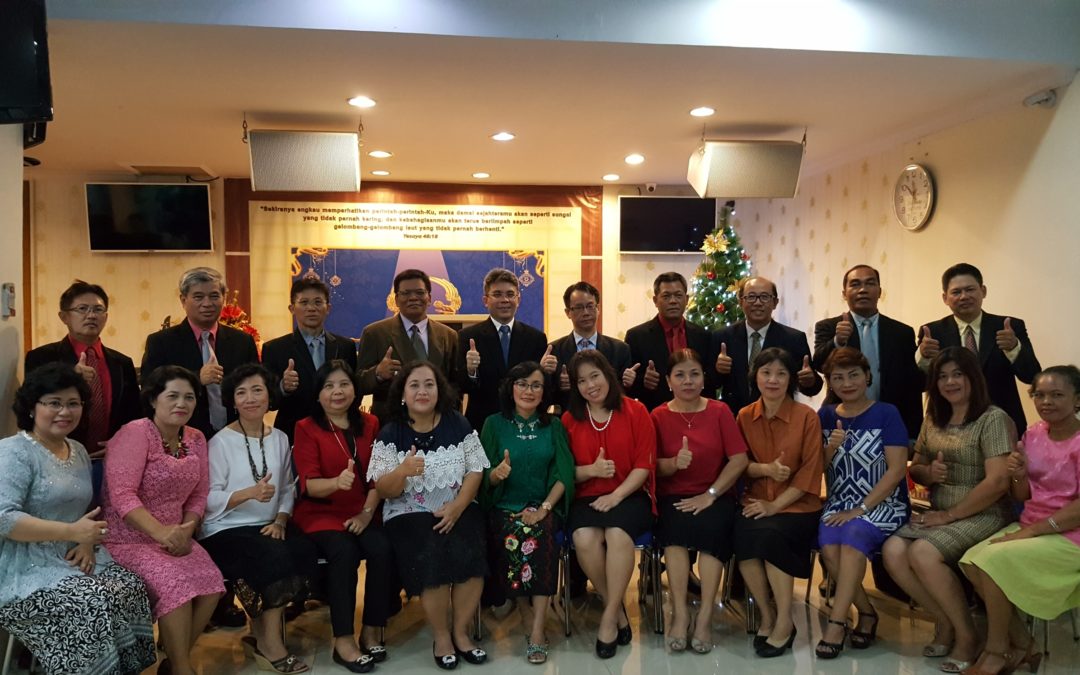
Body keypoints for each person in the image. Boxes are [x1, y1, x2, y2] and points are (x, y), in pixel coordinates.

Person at [0, 363, 156, 675]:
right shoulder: (14, 451)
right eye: (54, 403)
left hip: (77, 554)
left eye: (73, 403)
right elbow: (4, 519)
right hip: (25, 566)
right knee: (91, 601)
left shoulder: (79, 450)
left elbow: (90, 511)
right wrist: (72, 532)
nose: (65, 411)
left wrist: (86, 541)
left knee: (131, 587)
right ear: (31, 407)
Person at [883, 347, 1014, 674]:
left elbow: (999, 482)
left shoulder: (992, 418)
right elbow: (917, 467)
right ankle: (945, 621)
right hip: (938, 511)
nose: (949, 382)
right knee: (893, 551)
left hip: (984, 513)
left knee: (923, 553)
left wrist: (948, 515)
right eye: (942, 376)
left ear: (973, 377)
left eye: (958, 374)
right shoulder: (934, 418)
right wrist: (928, 474)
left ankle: (967, 637)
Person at [101, 365, 226, 675]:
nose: (181, 403)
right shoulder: (135, 433)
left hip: (177, 535)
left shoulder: (196, 438)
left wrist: (187, 528)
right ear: (153, 399)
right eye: (172, 396)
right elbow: (122, 496)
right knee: (177, 586)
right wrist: (162, 534)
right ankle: (182, 668)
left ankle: (173, 660)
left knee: (212, 585)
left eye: (189, 397)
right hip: (127, 539)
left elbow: (199, 493)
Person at [958, 365, 1080, 675]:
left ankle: (996, 651)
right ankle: (1025, 643)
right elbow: (1022, 494)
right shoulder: (1034, 434)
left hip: (1070, 534)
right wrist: (1019, 475)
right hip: (1032, 524)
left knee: (993, 561)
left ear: (1077, 399)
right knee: (971, 561)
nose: (1046, 402)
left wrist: (1030, 533)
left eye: (1056, 395)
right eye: (1039, 395)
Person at [368, 361, 490, 670]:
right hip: (408, 510)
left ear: (440, 390)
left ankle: (460, 632)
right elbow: (383, 489)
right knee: (432, 553)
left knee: (471, 549)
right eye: (414, 385)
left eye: (429, 384)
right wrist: (402, 471)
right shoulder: (391, 432)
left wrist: (458, 507)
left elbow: (476, 469)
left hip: (457, 504)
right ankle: (441, 636)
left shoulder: (457, 423)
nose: (422, 391)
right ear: (402, 394)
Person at [198, 364, 319, 674]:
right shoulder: (220, 442)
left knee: (303, 548)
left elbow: (288, 488)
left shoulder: (279, 437)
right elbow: (207, 500)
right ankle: (271, 646)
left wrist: (280, 520)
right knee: (272, 557)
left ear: (269, 396)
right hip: (225, 527)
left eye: (257, 390)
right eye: (241, 393)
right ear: (232, 401)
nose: (250, 398)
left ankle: (262, 633)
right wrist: (247, 494)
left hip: (267, 525)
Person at [292, 361, 397, 673]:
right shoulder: (306, 427)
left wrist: (366, 513)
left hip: (362, 509)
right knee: (344, 551)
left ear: (355, 389)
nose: (337, 392)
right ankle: (343, 640)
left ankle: (371, 629)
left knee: (382, 549)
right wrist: (336, 483)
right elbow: (309, 484)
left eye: (344, 384)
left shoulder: (371, 423)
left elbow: (378, 478)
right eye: (329, 386)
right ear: (318, 393)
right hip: (321, 513)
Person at [814, 348, 910, 659]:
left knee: (853, 535)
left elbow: (897, 470)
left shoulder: (886, 413)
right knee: (829, 547)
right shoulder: (825, 416)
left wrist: (862, 509)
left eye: (853, 375)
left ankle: (837, 623)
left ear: (867, 376)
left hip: (884, 503)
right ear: (830, 382)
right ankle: (867, 612)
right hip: (839, 502)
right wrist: (830, 448)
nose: (847, 383)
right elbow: (815, 467)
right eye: (838, 378)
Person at [561, 349, 656, 659]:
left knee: (617, 533)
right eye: (581, 381)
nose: (590, 385)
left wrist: (616, 496)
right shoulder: (569, 420)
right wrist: (591, 471)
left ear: (608, 375)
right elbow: (563, 473)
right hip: (586, 496)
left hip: (630, 494)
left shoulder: (636, 411)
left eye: (595, 376)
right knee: (583, 537)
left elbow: (644, 466)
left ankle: (608, 618)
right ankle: (617, 612)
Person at [478, 361, 575, 664]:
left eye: (536, 385)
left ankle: (537, 629)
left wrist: (544, 508)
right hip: (504, 505)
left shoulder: (553, 425)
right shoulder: (493, 424)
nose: (528, 391)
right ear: (511, 388)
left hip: (543, 505)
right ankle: (522, 607)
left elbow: (563, 473)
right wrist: (496, 475)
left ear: (544, 392)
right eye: (522, 384)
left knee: (539, 536)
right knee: (513, 534)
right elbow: (481, 475)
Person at [652, 349, 748, 654]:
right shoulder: (658, 416)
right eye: (680, 375)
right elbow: (650, 466)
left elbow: (739, 459)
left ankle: (705, 615)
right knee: (675, 535)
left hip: (715, 494)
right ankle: (680, 613)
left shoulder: (720, 411)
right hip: (673, 495)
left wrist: (710, 495)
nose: (688, 381)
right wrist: (673, 464)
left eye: (694, 374)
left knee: (712, 532)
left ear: (704, 379)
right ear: (668, 381)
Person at [734, 347, 823, 658]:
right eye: (766, 373)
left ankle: (785, 619)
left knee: (771, 535)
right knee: (743, 537)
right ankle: (767, 614)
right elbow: (738, 464)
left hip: (798, 505)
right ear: (755, 376)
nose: (773, 380)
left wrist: (774, 506)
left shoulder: (806, 417)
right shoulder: (744, 416)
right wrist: (765, 470)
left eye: (781, 373)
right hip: (755, 500)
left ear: (791, 379)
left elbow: (811, 472)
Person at [24, 280, 141, 463]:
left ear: (106, 316)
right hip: (57, 457)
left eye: (98, 309)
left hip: (112, 458)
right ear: (64, 317)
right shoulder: (41, 357)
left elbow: (134, 414)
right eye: (82, 309)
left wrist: (120, 443)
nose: (91, 315)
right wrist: (69, 377)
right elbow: (29, 404)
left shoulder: (122, 363)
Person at [918, 262, 1040, 433]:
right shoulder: (933, 332)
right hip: (950, 426)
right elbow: (920, 385)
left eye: (970, 289)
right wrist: (923, 357)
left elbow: (1032, 375)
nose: (964, 296)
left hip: (1003, 423)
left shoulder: (1008, 327)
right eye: (956, 292)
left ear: (983, 291)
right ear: (945, 298)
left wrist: (1014, 348)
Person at [141, 266, 260, 440]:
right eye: (198, 297)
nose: (207, 303)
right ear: (183, 300)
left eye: (214, 296)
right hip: (181, 437)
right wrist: (196, 378)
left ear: (224, 298)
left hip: (236, 436)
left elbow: (255, 386)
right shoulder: (161, 342)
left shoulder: (242, 341)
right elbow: (148, 391)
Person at [812, 264, 924, 439]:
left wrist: (913, 434)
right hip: (842, 420)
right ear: (844, 293)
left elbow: (911, 386)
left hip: (891, 420)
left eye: (870, 283)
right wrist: (837, 341)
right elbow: (819, 365)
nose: (863, 290)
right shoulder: (829, 327)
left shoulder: (901, 332)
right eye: (855, 284)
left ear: (880, 292)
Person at [262, 277, 358, 443]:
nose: (311, 308)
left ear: (328, 308)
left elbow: (355, 391)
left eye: (318, 302)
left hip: (338, 432)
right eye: (304, 302)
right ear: (292, 308)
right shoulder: (274, 349)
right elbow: (268, 401)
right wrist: (283, 387)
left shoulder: (345, 346)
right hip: (293, 433)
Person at [358, 269, 460, 422]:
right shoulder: (374, 333)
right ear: (396, 299)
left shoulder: (448, 335)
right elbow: (358, 384)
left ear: (429, 298)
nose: (413, 298)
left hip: (437, 421)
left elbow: (455, 384)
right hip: (392, 422)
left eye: (420, 292)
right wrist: (377, 373)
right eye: (405, 293)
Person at [713, 276, 822, 417]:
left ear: (775, 302)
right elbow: (710, 383)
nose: (758, 303)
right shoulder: (723, 337)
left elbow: (813, 388)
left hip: (779, 418)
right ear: (740, 301)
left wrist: (809, 380)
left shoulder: (794, 339)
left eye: (764, 297)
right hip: (734, 417)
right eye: (751, 297)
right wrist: (718, 370)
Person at [458, 268, 549, 432]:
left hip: (524, 424)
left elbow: (541, 387)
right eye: (497, 294)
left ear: (518, 299)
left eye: (510, 294)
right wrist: (471, 371)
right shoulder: (468, 337)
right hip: (482, 424)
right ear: (485, 300)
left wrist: (547, 372)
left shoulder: (536, 338)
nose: (505, 300)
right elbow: (460, 387)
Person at [625, 271, 715, 411]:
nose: (673, 301)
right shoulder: (636, 337)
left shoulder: (703, 336)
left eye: (678, 295)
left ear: (686, 299)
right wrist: (643, 381)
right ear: (655, 300)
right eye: (666, 296)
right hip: (654, 414)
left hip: (696, 413)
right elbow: (629, 386)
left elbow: (711, 382)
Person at [547, 281, 635, 413]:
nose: (586, 312)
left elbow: (626, 395)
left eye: (590, 306)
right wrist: (559, 385)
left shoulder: (620, 349)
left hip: (610, 418)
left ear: (598, 309)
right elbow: (546, 397)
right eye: (579, 307)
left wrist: (629, 384)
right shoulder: (554, 350)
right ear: (568, 312)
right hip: (570, 419)